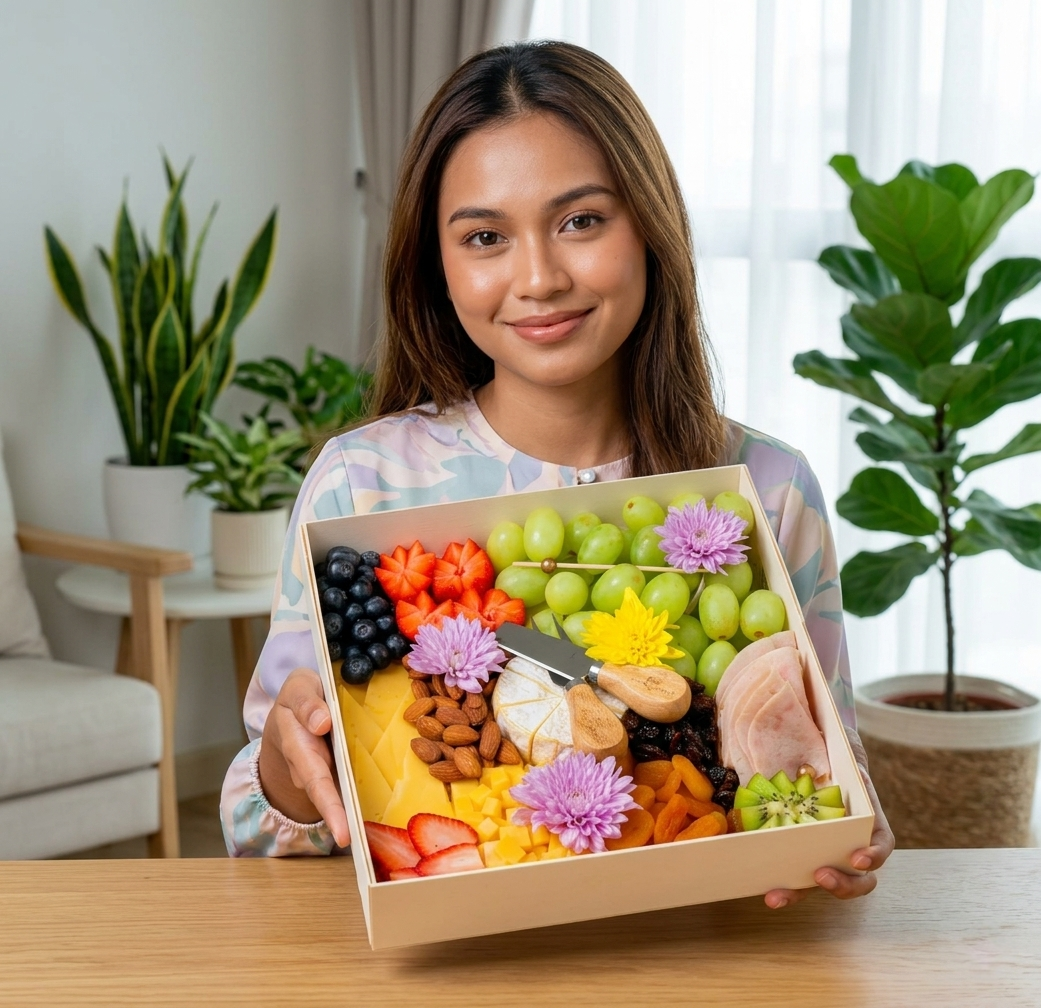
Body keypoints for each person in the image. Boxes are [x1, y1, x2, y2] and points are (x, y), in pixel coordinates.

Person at [220, 40, 893, 908]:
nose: (537, 278)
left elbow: (838, 781)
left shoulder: (767, 485)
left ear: (649, 225)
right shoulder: (362, 481)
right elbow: (251, 820)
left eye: (580, 220)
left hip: (707, 950)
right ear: (438, 263)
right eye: (485, 237)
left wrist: (833, 847)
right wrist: (285, 760)